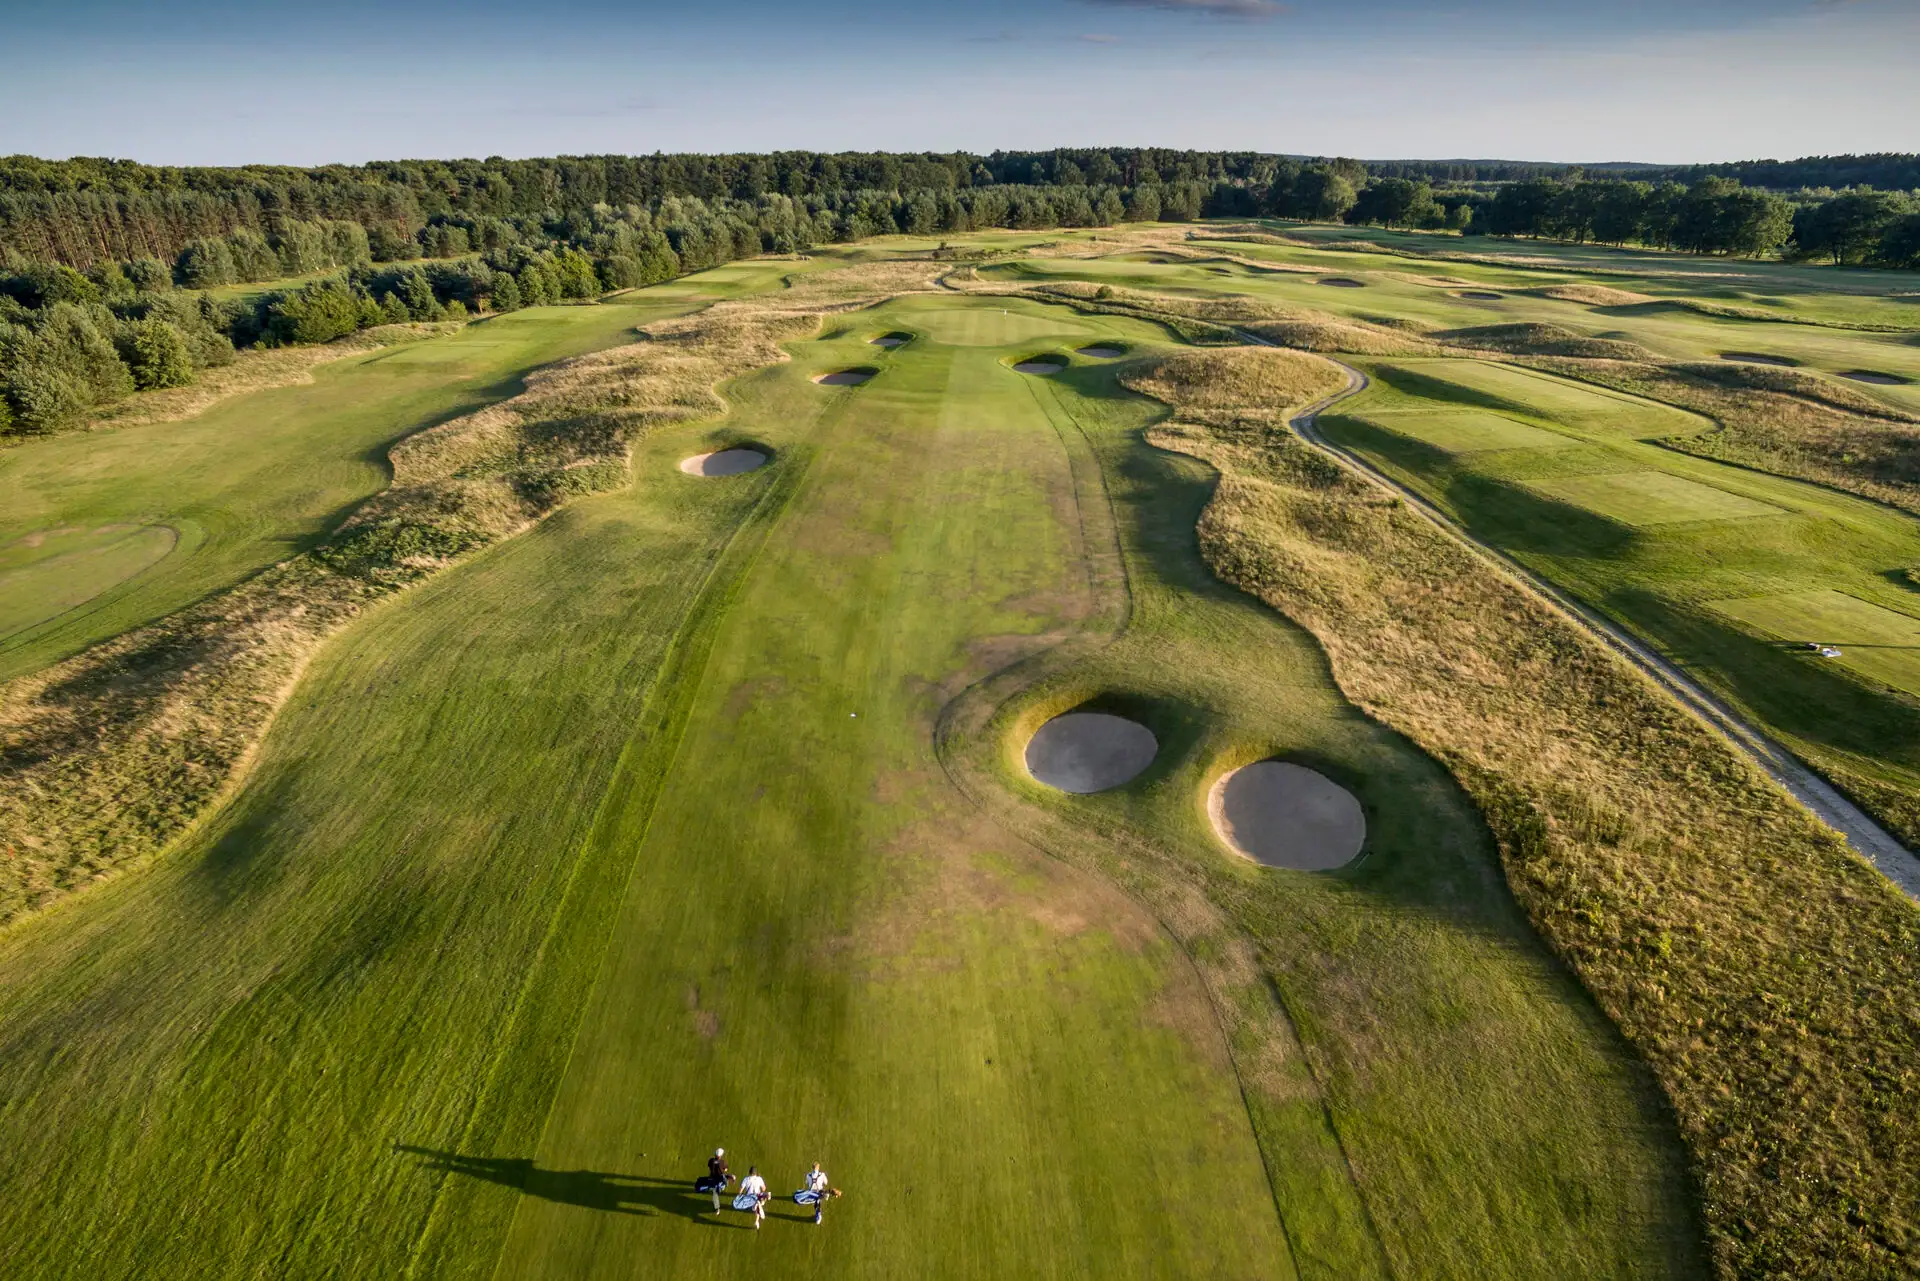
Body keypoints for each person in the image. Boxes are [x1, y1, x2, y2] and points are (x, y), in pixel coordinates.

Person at [796, 1161, 836, 1225]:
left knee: (816, 1203)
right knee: (817, 1202)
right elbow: (826, 1183)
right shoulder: (822, 1174)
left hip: (811, 1193)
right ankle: (818, 1217)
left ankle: (818, 1216)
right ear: (818, 1167)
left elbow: (807, 1183)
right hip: (819, 1193)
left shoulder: (808, 1175)